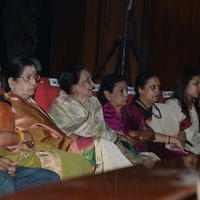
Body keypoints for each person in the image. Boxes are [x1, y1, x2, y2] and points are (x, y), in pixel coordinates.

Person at [0, 58, 92, 180]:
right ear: (12, 82)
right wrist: (25, 137)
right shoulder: (9, 103)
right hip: (33, 148)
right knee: (83, 157)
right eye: (28, 77)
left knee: (98, 147)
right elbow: (17, 136)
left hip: (55, 143)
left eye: (35, 77)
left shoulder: (30, 102)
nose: (34, 83)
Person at [48, 65, 134, 172]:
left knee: (132, 150)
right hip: (74, 152)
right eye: (87, 80)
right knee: (103, 145)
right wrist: (90, 141)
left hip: (100, 145)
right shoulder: (62, 106)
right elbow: (56, 135)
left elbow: (102, 128)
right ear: (73, 86)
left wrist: (116, 136)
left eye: (91, 80)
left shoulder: (93, 101)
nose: (93, 84)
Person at [121, 71, 186, 159]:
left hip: (170, 148)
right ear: (140, 89)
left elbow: (182, 128)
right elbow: (141, 137)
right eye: (153, 87)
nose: (158, 91)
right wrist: (172, 140)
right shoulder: (132, 111)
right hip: (149, 154)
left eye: (159, 87)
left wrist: (179, 143)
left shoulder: (162, 108)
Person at [98, 74, 159, 163]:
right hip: (118, 158)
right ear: (107, 95)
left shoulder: (133, 110)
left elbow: (151, 134)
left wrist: (137, 133)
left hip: (142, 154)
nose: (126, 95)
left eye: (126, 90)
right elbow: (122, 141)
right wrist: (140, 137)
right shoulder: (104, 114)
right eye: (121, 91)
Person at [166, 69, 200, 154]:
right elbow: (178, 134)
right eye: (196, 84)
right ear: (184, 85)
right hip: (181, 148)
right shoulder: (173, 104)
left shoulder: (194, 103)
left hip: (194, 145)